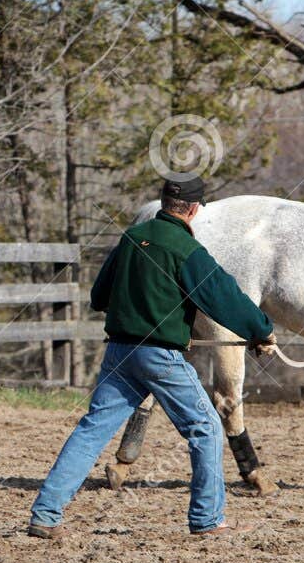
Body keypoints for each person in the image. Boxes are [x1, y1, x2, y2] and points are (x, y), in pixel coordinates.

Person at [28, 175, 276, 539]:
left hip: (118, 353)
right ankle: (207, 520)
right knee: (206, 428)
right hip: (159, 358)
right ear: (193, 209)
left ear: (163, 203)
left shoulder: (130, 238)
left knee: (91, 431)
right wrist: (261, 330)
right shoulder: (187, 250)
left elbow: (99, 297)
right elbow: (223, 297)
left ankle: (45, 515)